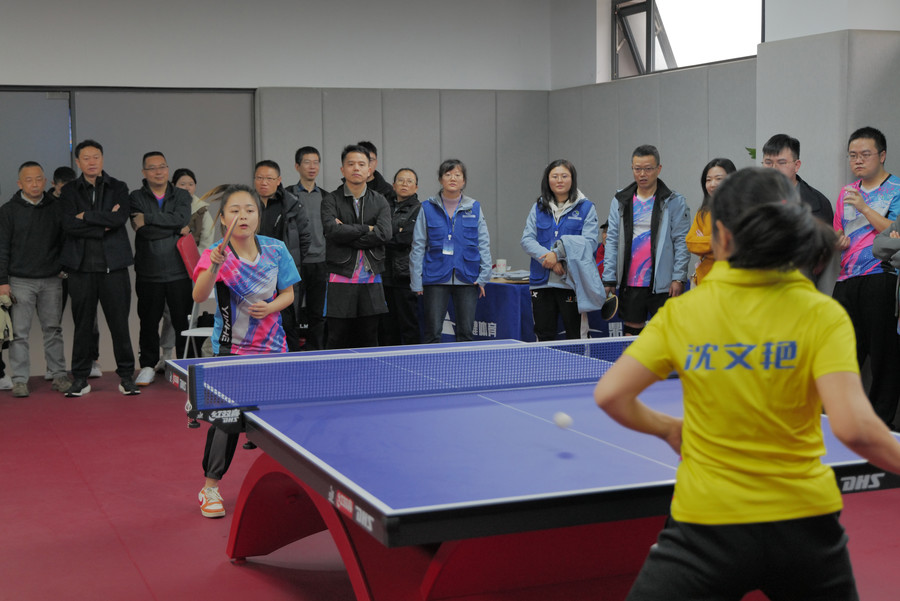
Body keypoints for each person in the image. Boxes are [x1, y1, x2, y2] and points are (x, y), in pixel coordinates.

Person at [594, 167, 900, 600]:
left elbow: (610, 395)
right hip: (804, 527)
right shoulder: (820, 312)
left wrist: (668, 429)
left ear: (720, 236)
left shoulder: (684, 313)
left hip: (705, 525)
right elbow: (854, 428)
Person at [192, 184, 300, 518]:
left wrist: (271, 307)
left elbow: (288, 294)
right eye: (235, 210)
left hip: (273, 349)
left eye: (250, 210)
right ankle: (210, 488)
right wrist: (213, 266)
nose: (243, 216)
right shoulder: (216, 253)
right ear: (224, 218)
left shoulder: (276, 249)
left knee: (280, 423)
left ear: (258, 215)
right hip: (231, 351)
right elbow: (199, 296)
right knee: (226, 421)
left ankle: (290, 484)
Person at [59, 139, 139, 397]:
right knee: (82, 326)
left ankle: (126, 377)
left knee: (119, 325)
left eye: (96, 157)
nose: (92, 162)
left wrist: (86, 216)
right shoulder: (70, 190)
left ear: (102, 159)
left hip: (113, 267)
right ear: (78, 162)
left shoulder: (118, 187)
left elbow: (119, 219)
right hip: (81, 268)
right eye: (86, 158)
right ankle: (80, 379)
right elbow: (68, 225)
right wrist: (102, 224)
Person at [832, 126, 900, 428]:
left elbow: (895, 232)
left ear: (882, 155)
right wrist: (837, 241)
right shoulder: (846, 192)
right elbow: (838, 230)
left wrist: (864, 207)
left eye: (865, 154)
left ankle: (880, 424)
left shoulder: (896, 189)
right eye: (852, 155)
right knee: (840, 354)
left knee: (884, 357)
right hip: (846, 280)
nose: (857, 160)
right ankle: (839, 418)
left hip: (882, 277)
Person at [602, 145, 690, 336]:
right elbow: (612, 241)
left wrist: (678, 277)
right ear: (632, 168)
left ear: (659, 169)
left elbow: (682, 243)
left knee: (666, 336)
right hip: (632, 282)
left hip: (663, 283)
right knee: (632, 335)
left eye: (648, 169)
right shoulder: (621, 200)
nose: (642, 174)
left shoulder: (674, 201)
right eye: (637, 169)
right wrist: (609, 277)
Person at [0, 162, 70, 397]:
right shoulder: (8, 211)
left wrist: (63, 268)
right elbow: (2, 248)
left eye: (39, 179)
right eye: (29, 180)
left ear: (45, 181)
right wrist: (2, 281)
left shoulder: (57, 208)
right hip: (20, 281)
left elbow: (66, 241)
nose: (35, 184)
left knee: (53, 329)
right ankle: (20, 380)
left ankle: (58, 375)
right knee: (19, 333)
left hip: (52, 279)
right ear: (20, 184)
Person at [410, 159, 492, 343]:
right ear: (441, 179)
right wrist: (416, 281)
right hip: (435, 277)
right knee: (432, 333)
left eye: (457, 175)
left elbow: (483, 243)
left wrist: (484, 276)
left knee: (466, 334)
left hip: (467, 277)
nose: (453, 178)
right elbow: (418, 245)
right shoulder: (427, 207)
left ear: (464, 181)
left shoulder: (474, 207)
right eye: (448, 174)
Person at [130, 152, 193, 386]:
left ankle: (186, 366)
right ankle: (148, 365)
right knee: (148, 321)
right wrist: (175, 228)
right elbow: (144, 231)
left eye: (162, 166)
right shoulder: (135, 197)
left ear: (168, 169)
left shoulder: (181, 195)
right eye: (152, 168)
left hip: (179, 269)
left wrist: (149, 218)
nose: (158, 171)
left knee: (183, 322)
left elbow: (182, 218)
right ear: (144, 172)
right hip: (149, 271)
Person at [321, 145, 391, 349]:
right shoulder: (330, 200)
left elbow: (384, 234)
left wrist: (347, 233)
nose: (356, 168)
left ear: (370, 169)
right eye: (351, 164)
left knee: (369, 338)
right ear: (342, 169)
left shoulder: (380, 201)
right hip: (340, 276)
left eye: (361, 164)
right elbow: (332, 231)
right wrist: (367, 228)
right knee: (337, 337)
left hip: (371, 277)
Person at [521, 159, 599, 341]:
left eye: (564, 176)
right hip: (541, 282)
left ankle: (581, 362)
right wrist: (548, 258)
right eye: (554, 176)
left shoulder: (586, 207)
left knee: (576, 336)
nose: (559, 180)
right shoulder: (538, 207)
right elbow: (527, 239)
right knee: (543, 335)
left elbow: (589, 243)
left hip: (572, 282)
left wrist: (558, 255)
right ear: (547, 179)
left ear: (572, 179)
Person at [254, 160, 310, 351]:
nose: (264, 182)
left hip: (283, 274)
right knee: (258, 321)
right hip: (254, 274)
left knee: (287, 321)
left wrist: (290, 263)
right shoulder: (248, 204)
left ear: (278, 180)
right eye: (260, 178)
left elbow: (305, 238)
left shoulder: (291, 204)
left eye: (269, 178)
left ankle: (291, 360)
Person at [52, 165, 102, 378]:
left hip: (81, 266)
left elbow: (92, 226)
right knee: (53, 321)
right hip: (55, 269)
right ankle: (54, 367)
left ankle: (92, 360)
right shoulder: (48, 205)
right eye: (62, 187)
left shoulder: (81, 198)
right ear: (54, 184)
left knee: (88, 318)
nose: (66, 191)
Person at [285, 146, 328, 350]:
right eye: (307, 162)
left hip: (321, 262)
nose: (312, 167)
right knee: (291, 312)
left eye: (316, 162)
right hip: (295, 264)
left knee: (317, 313)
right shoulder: (287, 196)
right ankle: (292, 352)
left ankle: (316, 352)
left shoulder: (327, 197)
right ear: (297, 166)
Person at [379, 168, 422, 346]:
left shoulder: (419, 210)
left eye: (409, 181)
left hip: (405, 275)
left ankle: (413, 359)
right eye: (401, 180)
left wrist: (384, 235)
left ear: (416, 187)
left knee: (408, 323)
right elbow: (375, 233)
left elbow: (406, 238)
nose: (405, 184)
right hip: (383, 273)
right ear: (394, 185)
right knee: (387, 326)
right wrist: (393, 232)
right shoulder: (383, 206)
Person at [762, 133, 834, 223]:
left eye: (781, 162)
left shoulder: (819, 203)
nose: (774, 168)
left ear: (796, 165)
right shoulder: (752, 199)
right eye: (768, 162)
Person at [685, 158, 736, 286]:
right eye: (708, 180)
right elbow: (690, 242)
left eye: (719, 179)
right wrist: (718, 241)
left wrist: (704, 244)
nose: (713, 184)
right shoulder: (703, 212)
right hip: (704, 281)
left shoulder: (741, 210)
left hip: (731, 282)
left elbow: (734, 247)